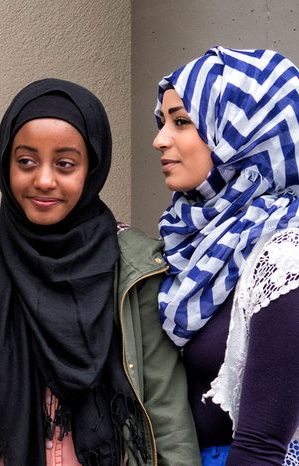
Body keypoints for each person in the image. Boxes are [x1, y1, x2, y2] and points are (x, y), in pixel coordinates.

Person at [0, 78, 200, 466]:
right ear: (4, 161)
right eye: (26, 161)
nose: (44, 180)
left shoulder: (133, 262)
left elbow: (167, 417)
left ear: (92, 168)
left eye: (65, 164)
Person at [153, 46, 299, 465]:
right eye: (163, 122)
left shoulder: (285, 257)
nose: (159, 139)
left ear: (242, 133)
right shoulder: (195, 242)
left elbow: (261, 447)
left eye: (182, 121)